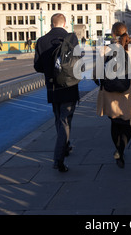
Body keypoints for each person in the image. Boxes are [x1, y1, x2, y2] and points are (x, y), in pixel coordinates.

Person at [34, 13, 80, 172]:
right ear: (65, 23)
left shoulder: (41, 41)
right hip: (69, 86)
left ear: (51, 24)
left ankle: (65, 146)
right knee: (65, 121)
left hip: (52, 87)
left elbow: (38, 67)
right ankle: (58, 159)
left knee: (58, 119)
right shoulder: (72, 39)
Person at [94, 22, 131, 168]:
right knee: (130, 122)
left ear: (113, 34)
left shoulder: (104, 50)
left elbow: (95, 75)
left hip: (109, 93)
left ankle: (118, 149)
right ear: (126, 32)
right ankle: (120, 149)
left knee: (114, 122)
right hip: (128, 92)